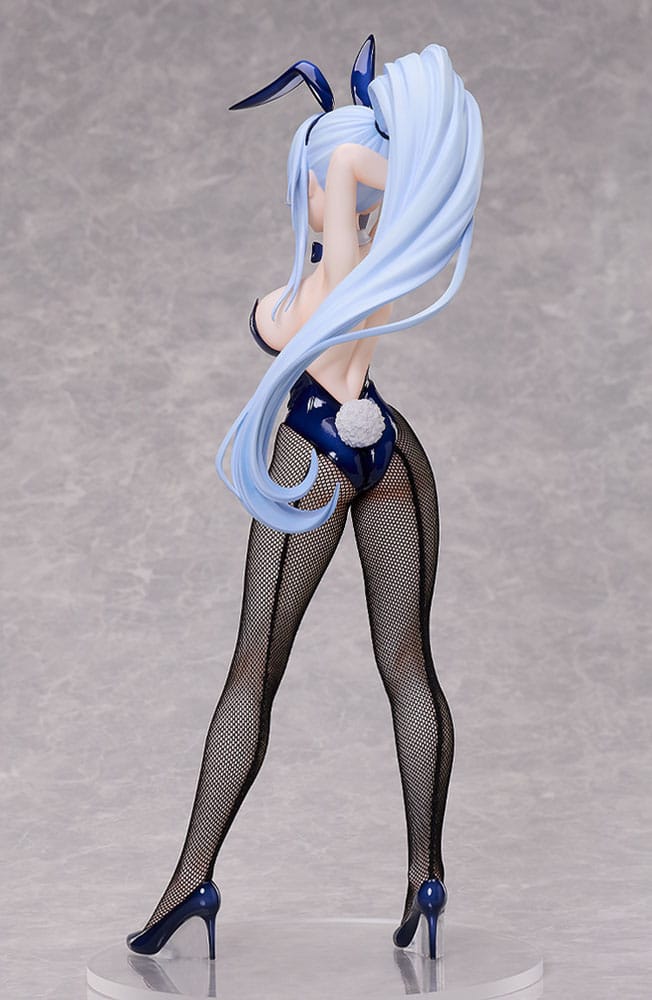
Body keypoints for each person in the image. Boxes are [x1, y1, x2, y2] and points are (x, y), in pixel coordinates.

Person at [126, 36, 483, 962]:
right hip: (390, 449)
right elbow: (354, 257)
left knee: (254, 669)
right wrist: (378, 167)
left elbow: (310, 290)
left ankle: (191, 878)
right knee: (408, 665)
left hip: (316, 452)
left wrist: (345, 164)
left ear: (319, 186)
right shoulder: (382, 270)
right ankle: (427, 874)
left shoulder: (311, 290)